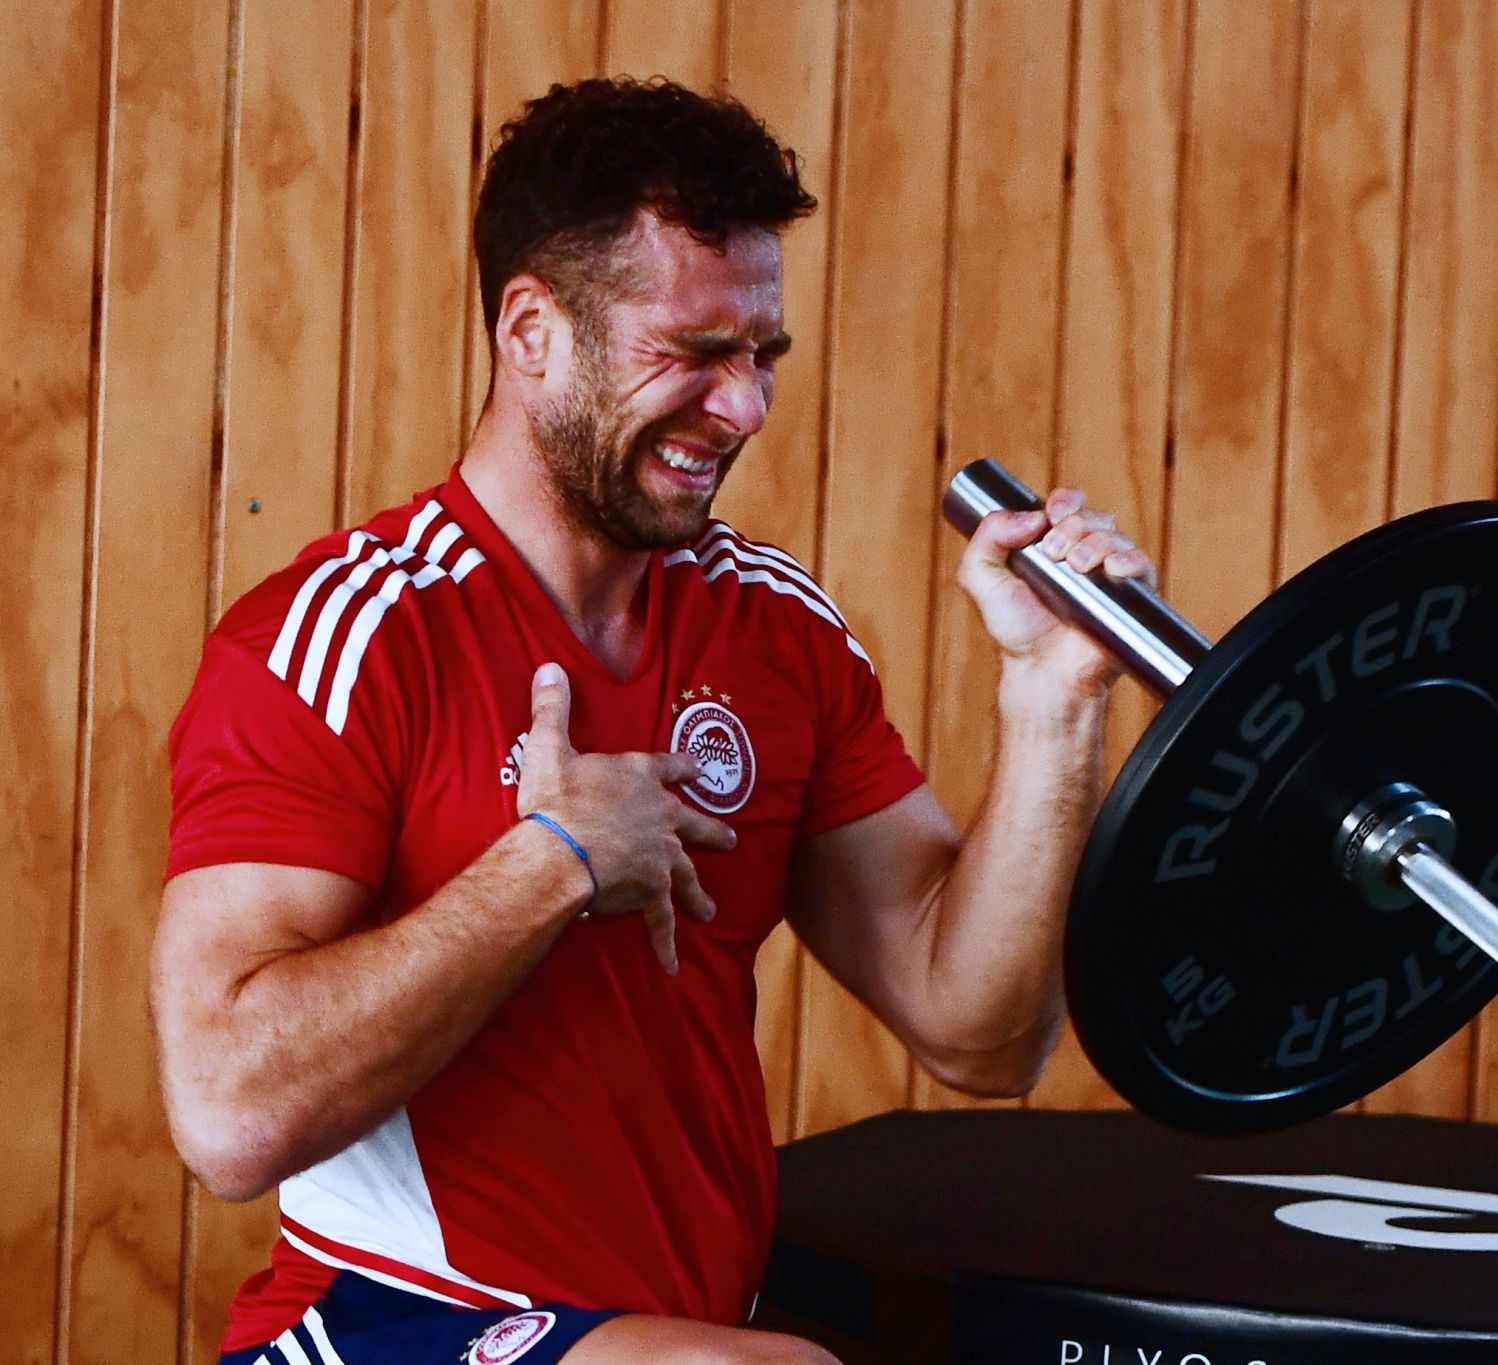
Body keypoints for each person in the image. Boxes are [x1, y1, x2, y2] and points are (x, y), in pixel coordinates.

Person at [151, 77, 1153, 1365]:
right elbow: (227, 1116)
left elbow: (982, 1030)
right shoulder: (345, 637)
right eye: (691, 353)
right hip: (386, 1322)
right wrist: (553, 864)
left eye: (762, 358)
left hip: (671, 1331)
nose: (745, 409)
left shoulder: (773, 628)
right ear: (532, 332)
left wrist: (1054, 700)